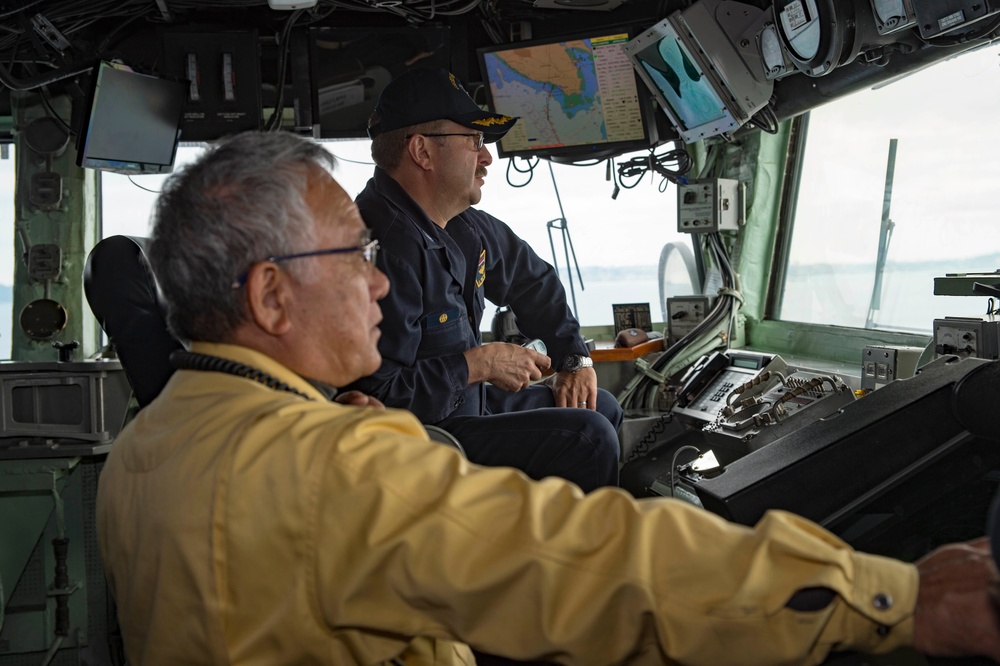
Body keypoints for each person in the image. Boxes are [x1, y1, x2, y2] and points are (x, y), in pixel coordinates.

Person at [96, 130, 1000, 666]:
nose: (379, 285)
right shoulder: (325, 466)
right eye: (353, 256)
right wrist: (884, 595)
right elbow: (588, 562)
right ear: (270, 298)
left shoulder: (152, 441)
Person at [348, 68, 622, 493]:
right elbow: (378, 397)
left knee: (597, 405)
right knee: (589, 437)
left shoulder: (461, 225)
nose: (487, 157)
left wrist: (574, 360)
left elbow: (533, 281)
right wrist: (481, 364)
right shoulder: (381, 246)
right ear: (422, 151)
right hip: (424, 442)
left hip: (467, 407)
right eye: (474, 141)